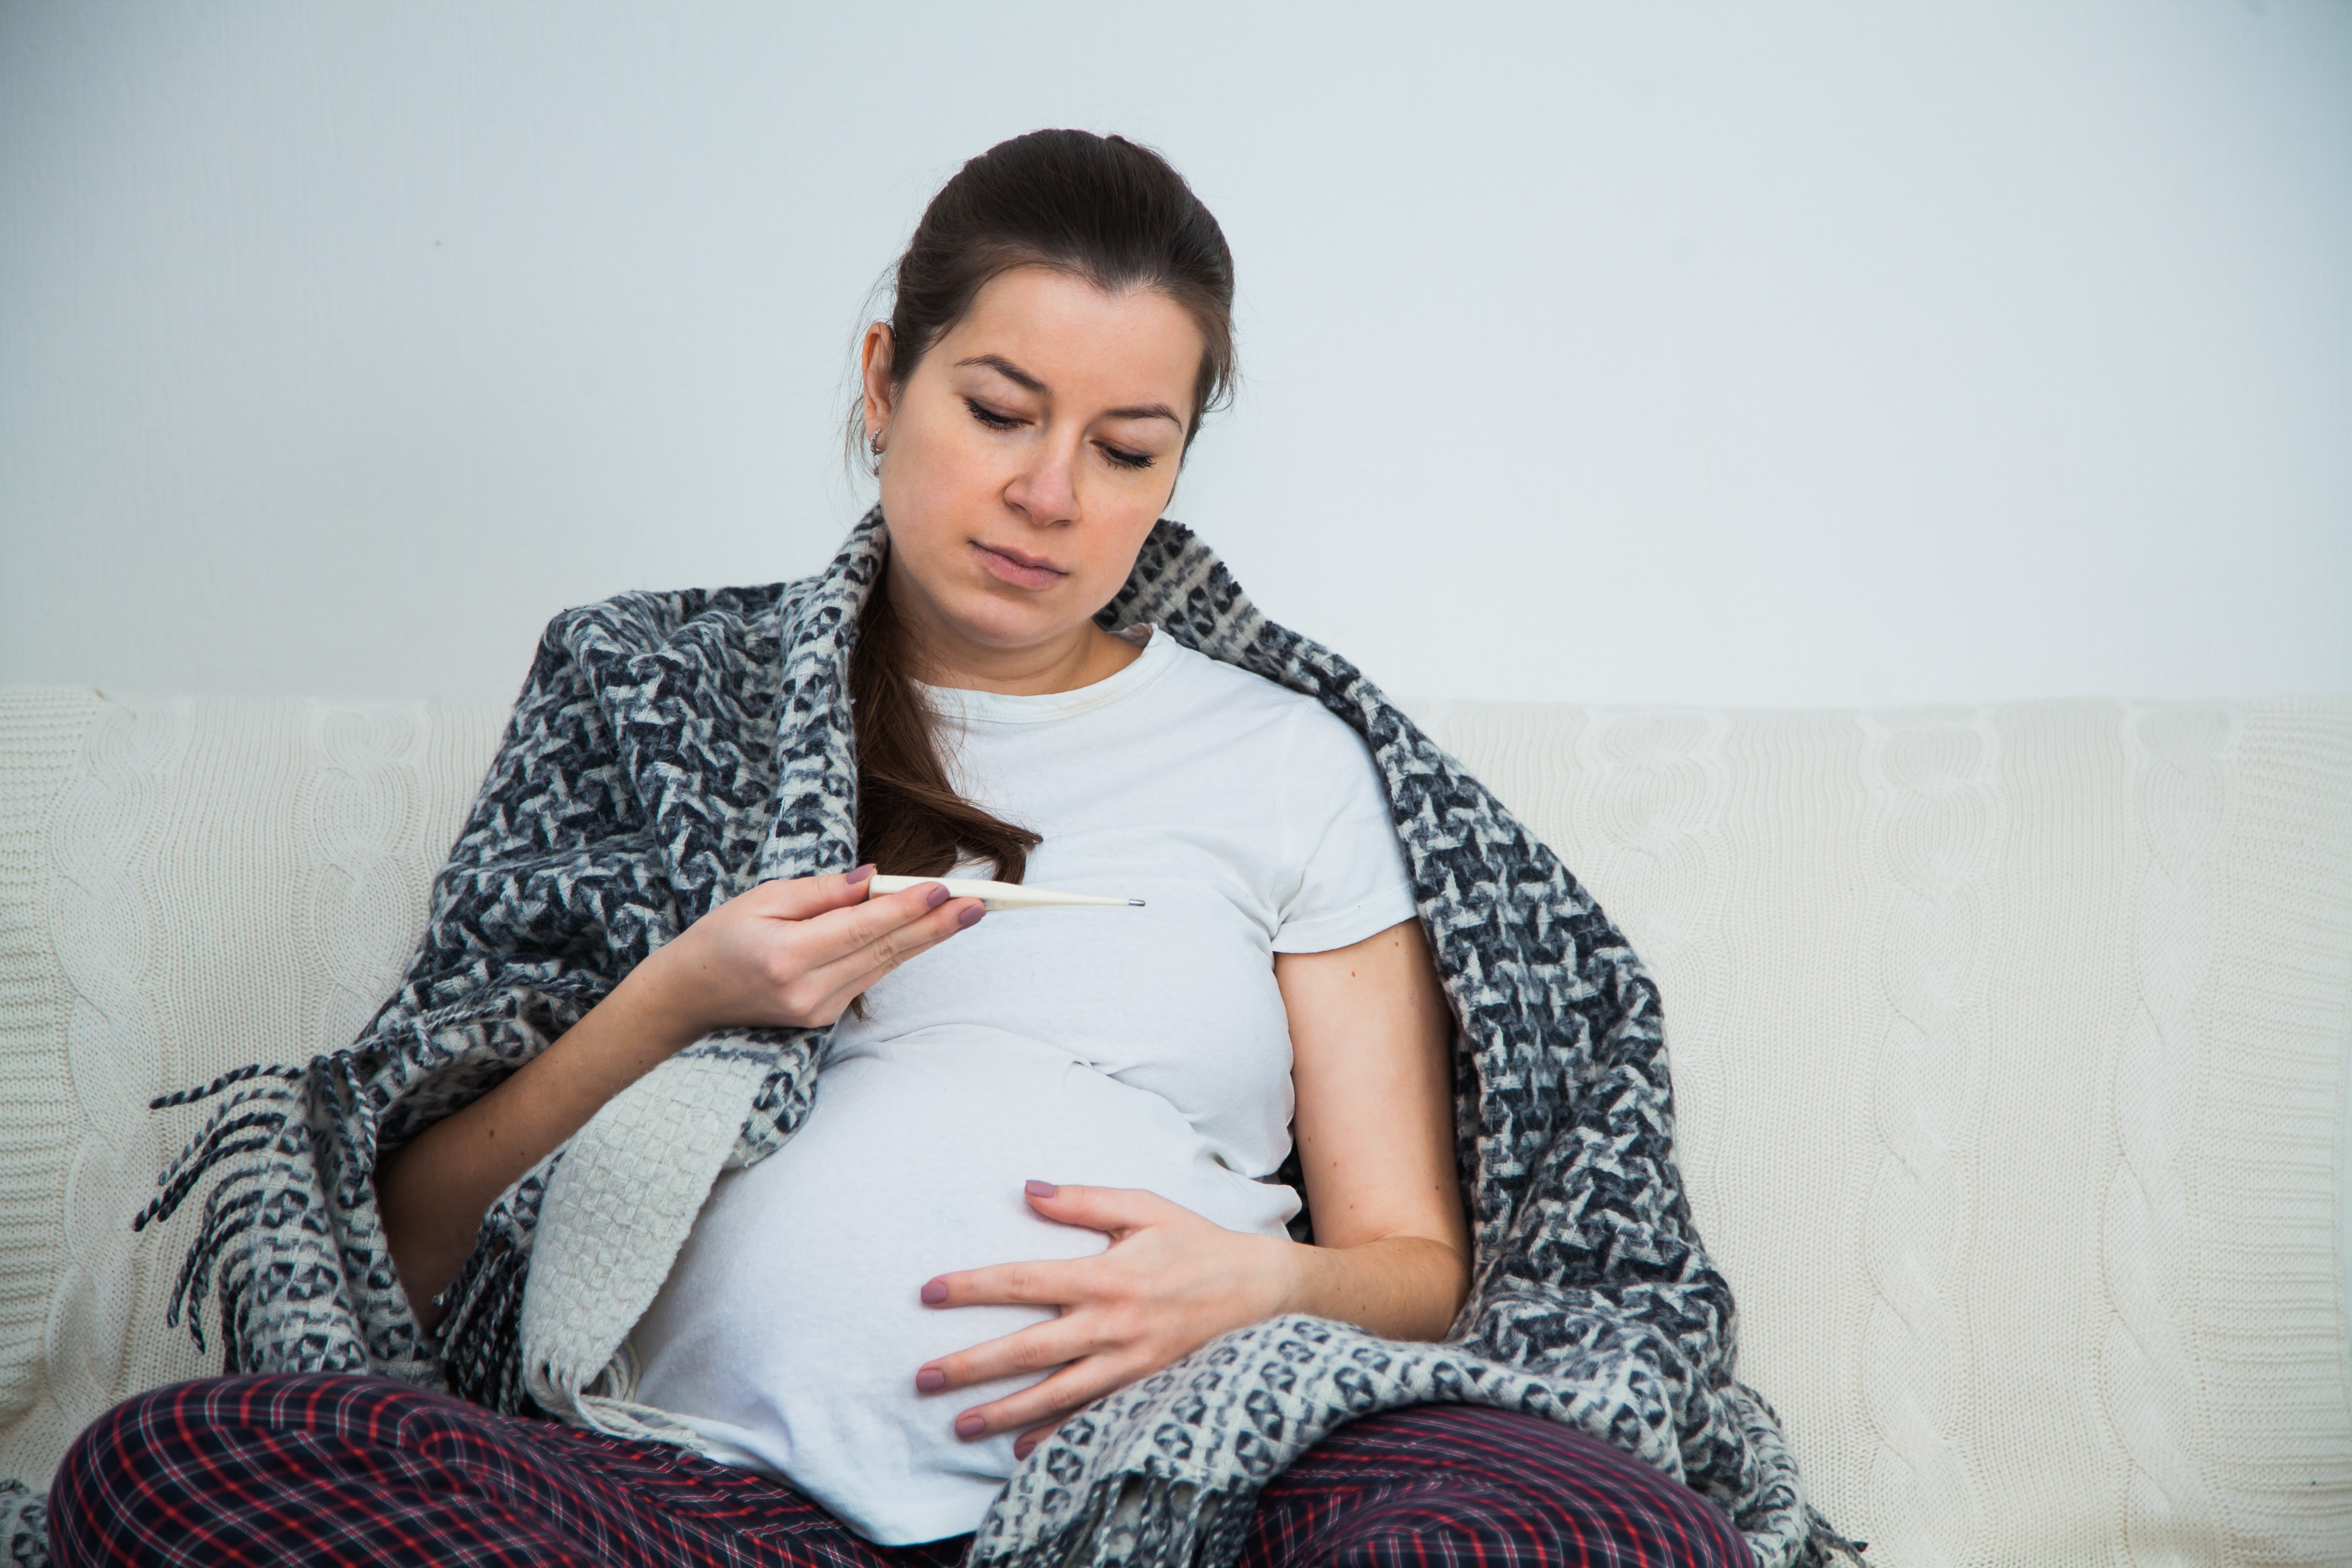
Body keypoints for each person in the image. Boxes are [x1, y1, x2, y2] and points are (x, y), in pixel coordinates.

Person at [40, 132, 1789, 1568]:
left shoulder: (1290, 763)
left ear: (1177, 470)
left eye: (1127, 450)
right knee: (175, 1470)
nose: (1052, 496)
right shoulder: (653, 688)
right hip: (694, 1506)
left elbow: (1414, 1268)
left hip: (1190, 1487)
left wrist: (1258, 1284)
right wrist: (675, 1001)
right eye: (1001, 411)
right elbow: (412, 1244)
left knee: (1592, 1531)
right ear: (888, 380)